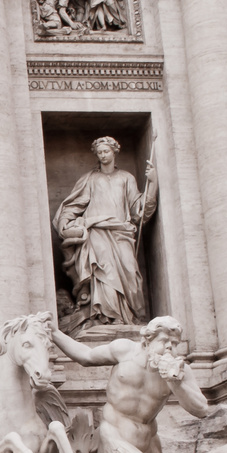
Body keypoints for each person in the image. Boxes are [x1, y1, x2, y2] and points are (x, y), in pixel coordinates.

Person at [51, 316, 209, 453]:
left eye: (175, 343)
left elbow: (202, 409)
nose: (169, 347)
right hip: (114, 435)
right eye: (164, 341)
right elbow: (86, 356)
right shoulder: (125, 351)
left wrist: (176, 384)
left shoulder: (181, 371)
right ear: (148, 340)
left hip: (149, 442)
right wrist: (54, 332)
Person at [52, 136, 157, 330]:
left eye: (106, 151)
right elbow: (73, 205)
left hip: (121, 232)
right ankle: (107, 317)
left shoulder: (126, 178)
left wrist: (152, 184)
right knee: (104, 272)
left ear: (114, 152)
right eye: (99, 152)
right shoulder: (90, 179)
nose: (102, 155)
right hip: (97, 232)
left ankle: (129, 317)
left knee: (130, 272)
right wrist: (66, 223)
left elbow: (139, 211)